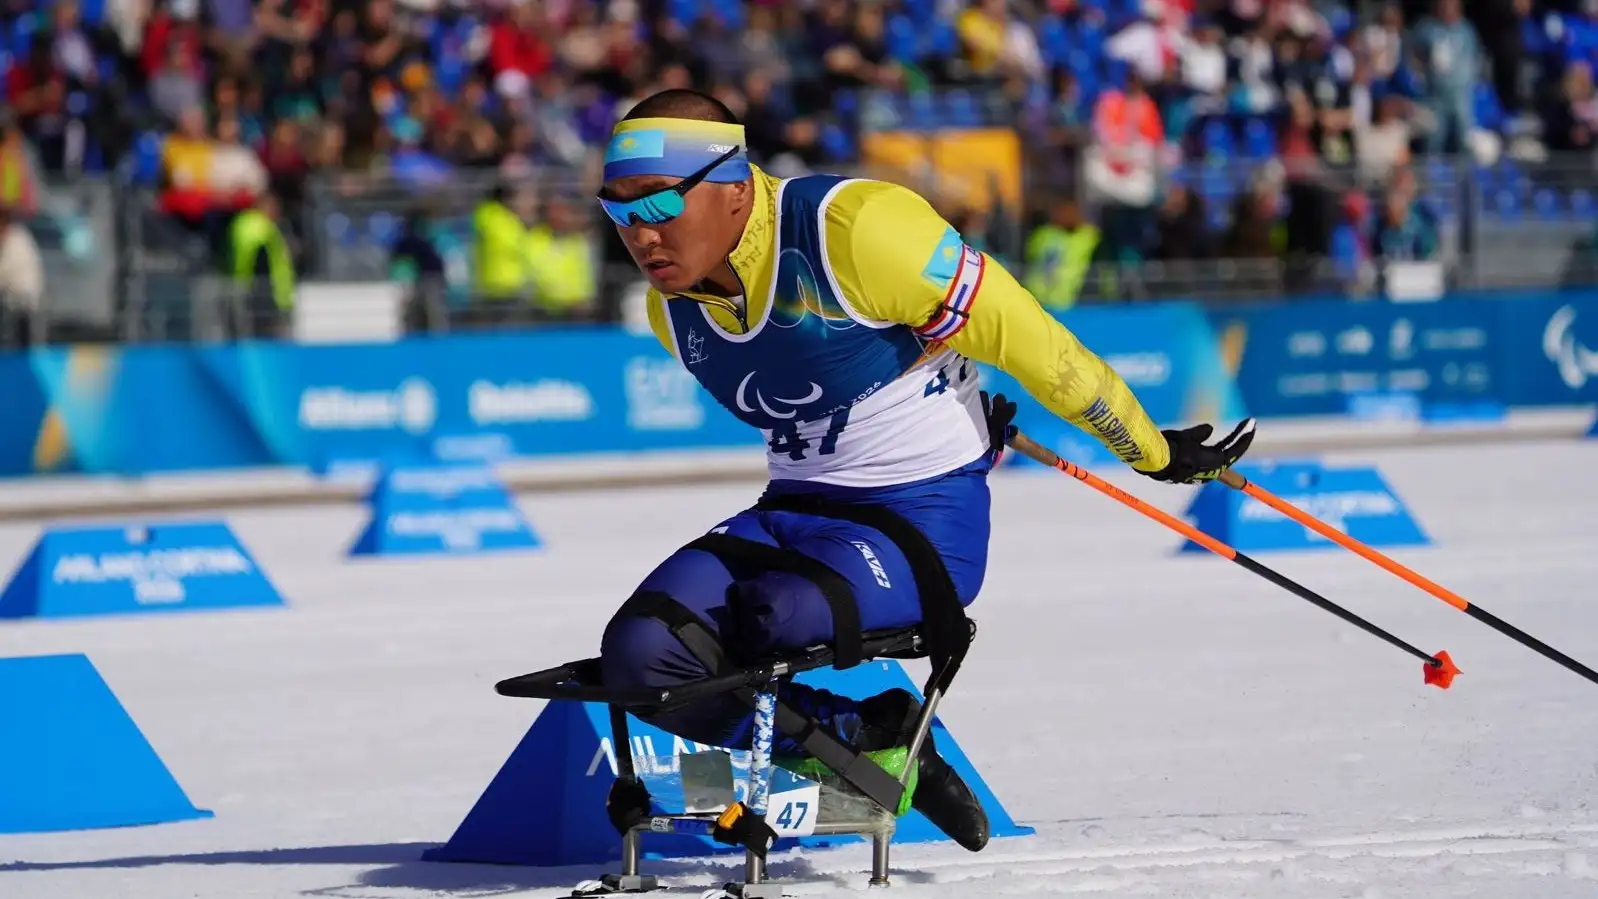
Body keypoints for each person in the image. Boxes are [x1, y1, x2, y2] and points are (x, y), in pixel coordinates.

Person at [594, 89, 1256, 853]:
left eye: (658, 201)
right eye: (619, 209)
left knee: (773, 616)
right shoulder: (671, 310)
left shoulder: (855, 231)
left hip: (919, 518)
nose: (639, 231)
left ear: (735, 186)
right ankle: (869, 733)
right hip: (793, 511)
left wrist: (1150, 449)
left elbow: (1034, 343)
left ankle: (859, 745)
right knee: (639, 654)